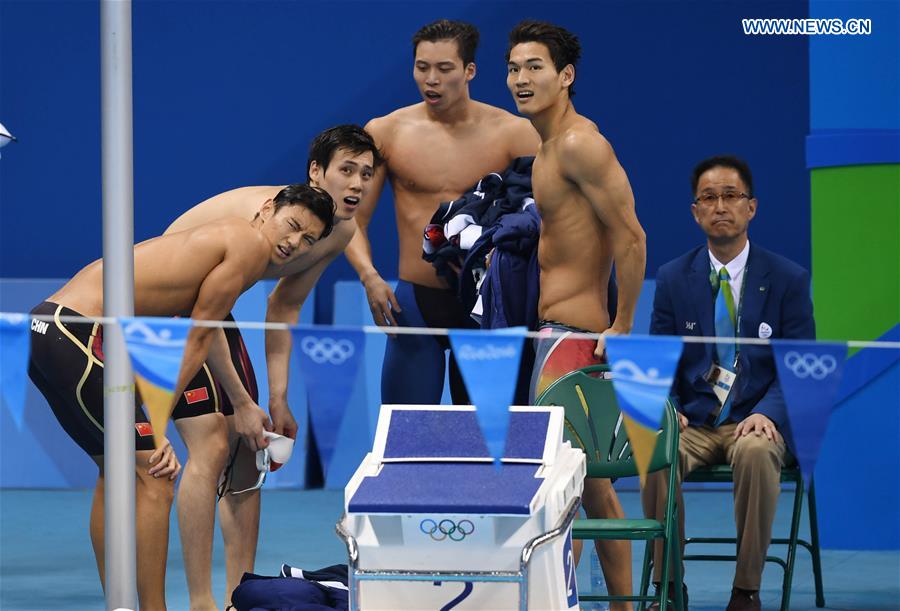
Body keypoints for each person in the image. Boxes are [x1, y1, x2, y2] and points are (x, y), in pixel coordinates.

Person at [27, 184, 334, 611]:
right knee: (155, 476)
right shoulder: (247, 245)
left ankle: (120, 605)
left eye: (308, 241)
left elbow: (206, 332)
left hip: (52, 329)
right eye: (292, 226)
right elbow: (198, 336)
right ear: (268, 209)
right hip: (78, 335)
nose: (293, 243)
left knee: (117, 476)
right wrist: (155, 421)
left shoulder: (234, 240)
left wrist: (243, 402)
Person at [163, 125, 381, 610]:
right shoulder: (262, 217)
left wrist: (276, 398)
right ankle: (200, 602)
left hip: (211, 313)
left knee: (249, 449)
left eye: (366, 174)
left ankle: (241, 595)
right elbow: (202, 311)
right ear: (315, 172)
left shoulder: (335, 230)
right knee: (213, 443)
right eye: (346, 170)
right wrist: (242, 400)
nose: (357, 184)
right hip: (169, 309)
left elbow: (283, 308)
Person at [506, 20, 648, 610]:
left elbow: (632, 237)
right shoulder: (545, 148)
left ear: (566, 76)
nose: (520, 78)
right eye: (513, 68)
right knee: (582, 491)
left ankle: (616, 604)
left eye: (535, 67)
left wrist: (621, 326)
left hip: (577, 338)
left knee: (588, 491)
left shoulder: (579, 145)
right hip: (555, 336)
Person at [643, 155, 815, 611]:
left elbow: (797, 365)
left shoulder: (787, 279)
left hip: (756, 422)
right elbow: (660, 361)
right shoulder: (674, 278)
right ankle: (669, 584)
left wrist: (768, 413)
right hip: (695, 422)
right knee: (656, 453)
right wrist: (668, 407)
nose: (720, 206)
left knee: (758, 454)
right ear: (695, 211)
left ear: (751, 208)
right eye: (709, 198)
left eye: (731, 196)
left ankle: (746, 590)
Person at [345, 19, 540, 404]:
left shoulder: (514, 134)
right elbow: (352, 218)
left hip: (490, 307)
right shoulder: (387, 132)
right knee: (407, 445)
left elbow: (544, 223)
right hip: (417, 304)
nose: (431, 79)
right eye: (422, 67)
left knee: (491, 452)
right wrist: (369, 276)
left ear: (470, 70)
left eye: (444, 69)